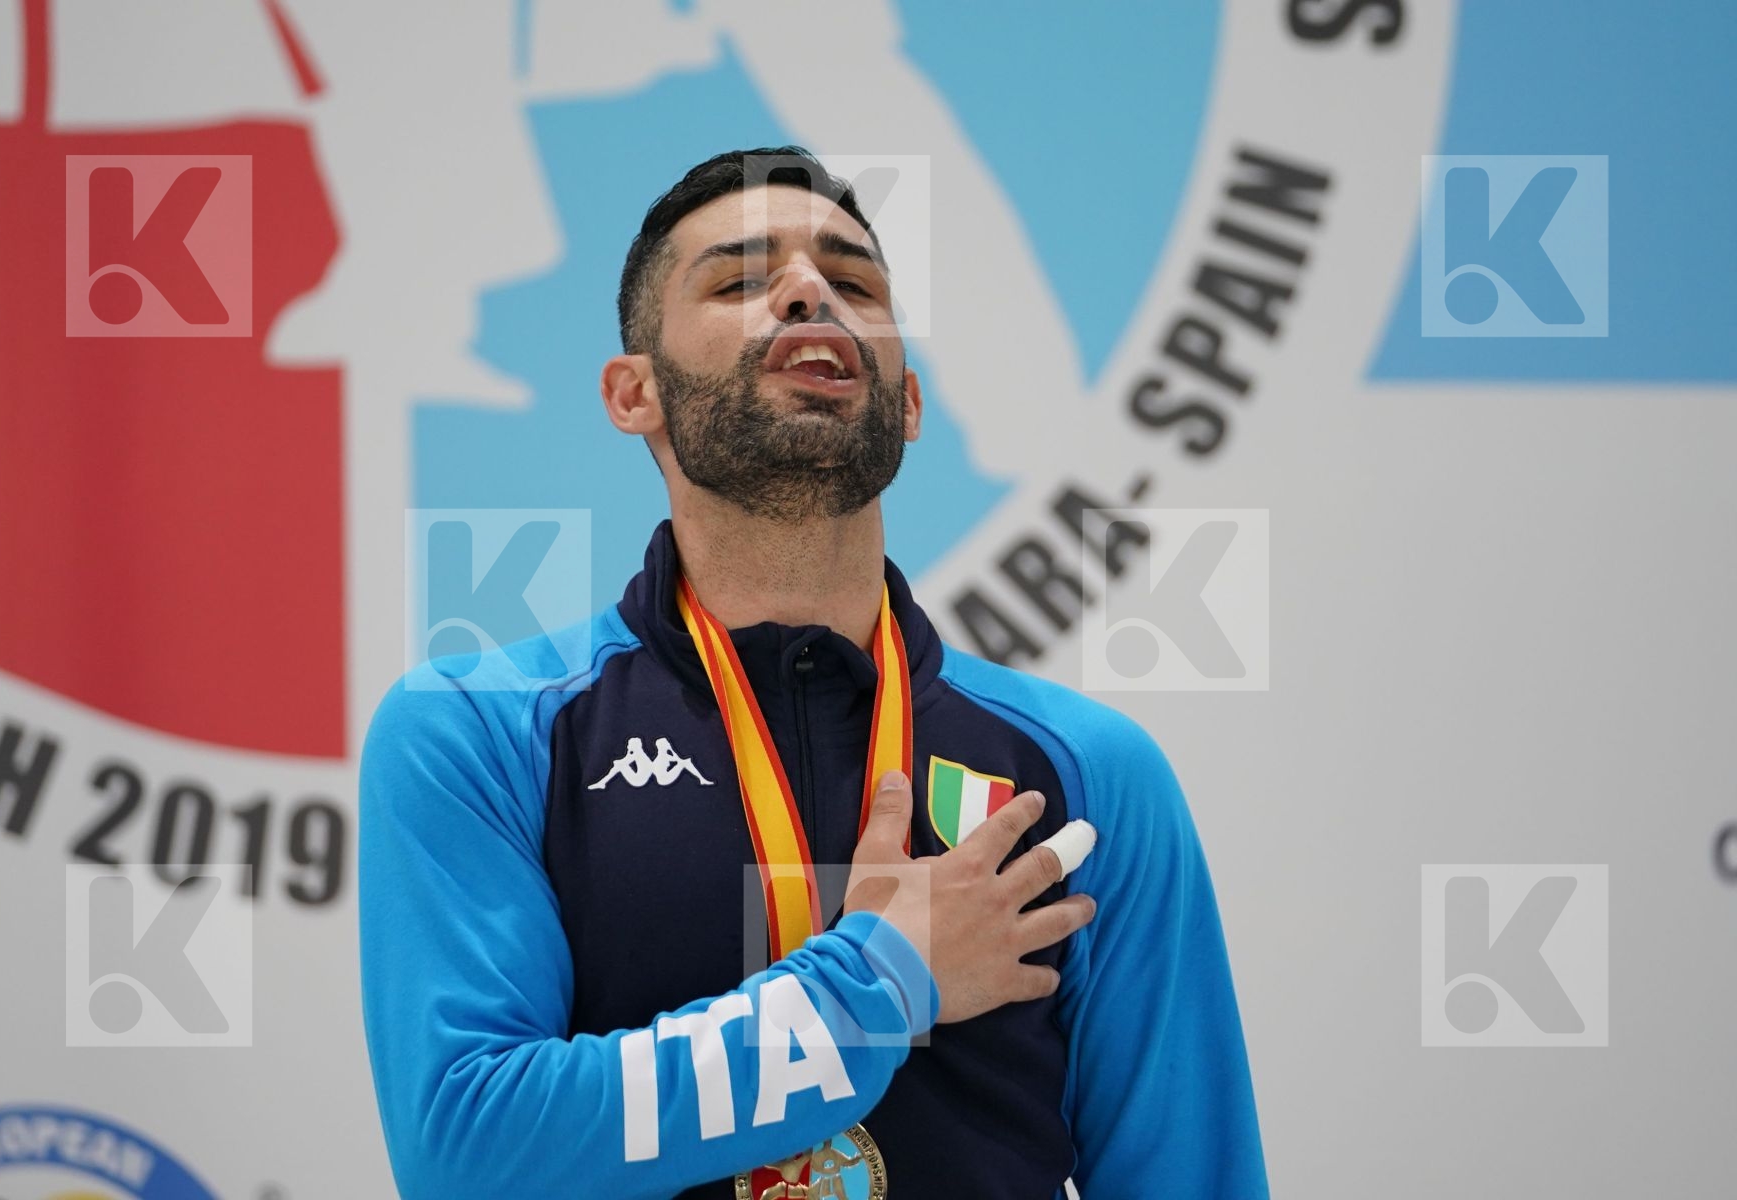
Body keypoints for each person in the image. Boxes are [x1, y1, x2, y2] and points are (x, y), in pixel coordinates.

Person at [359, 147, 1268, 1199]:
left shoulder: (1089, 771)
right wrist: (882, 984)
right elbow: (470, 1151)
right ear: (633, 393)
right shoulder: (480, 731)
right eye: (740, 280)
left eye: (855, 282)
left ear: (911, 401)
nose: (808, 291)